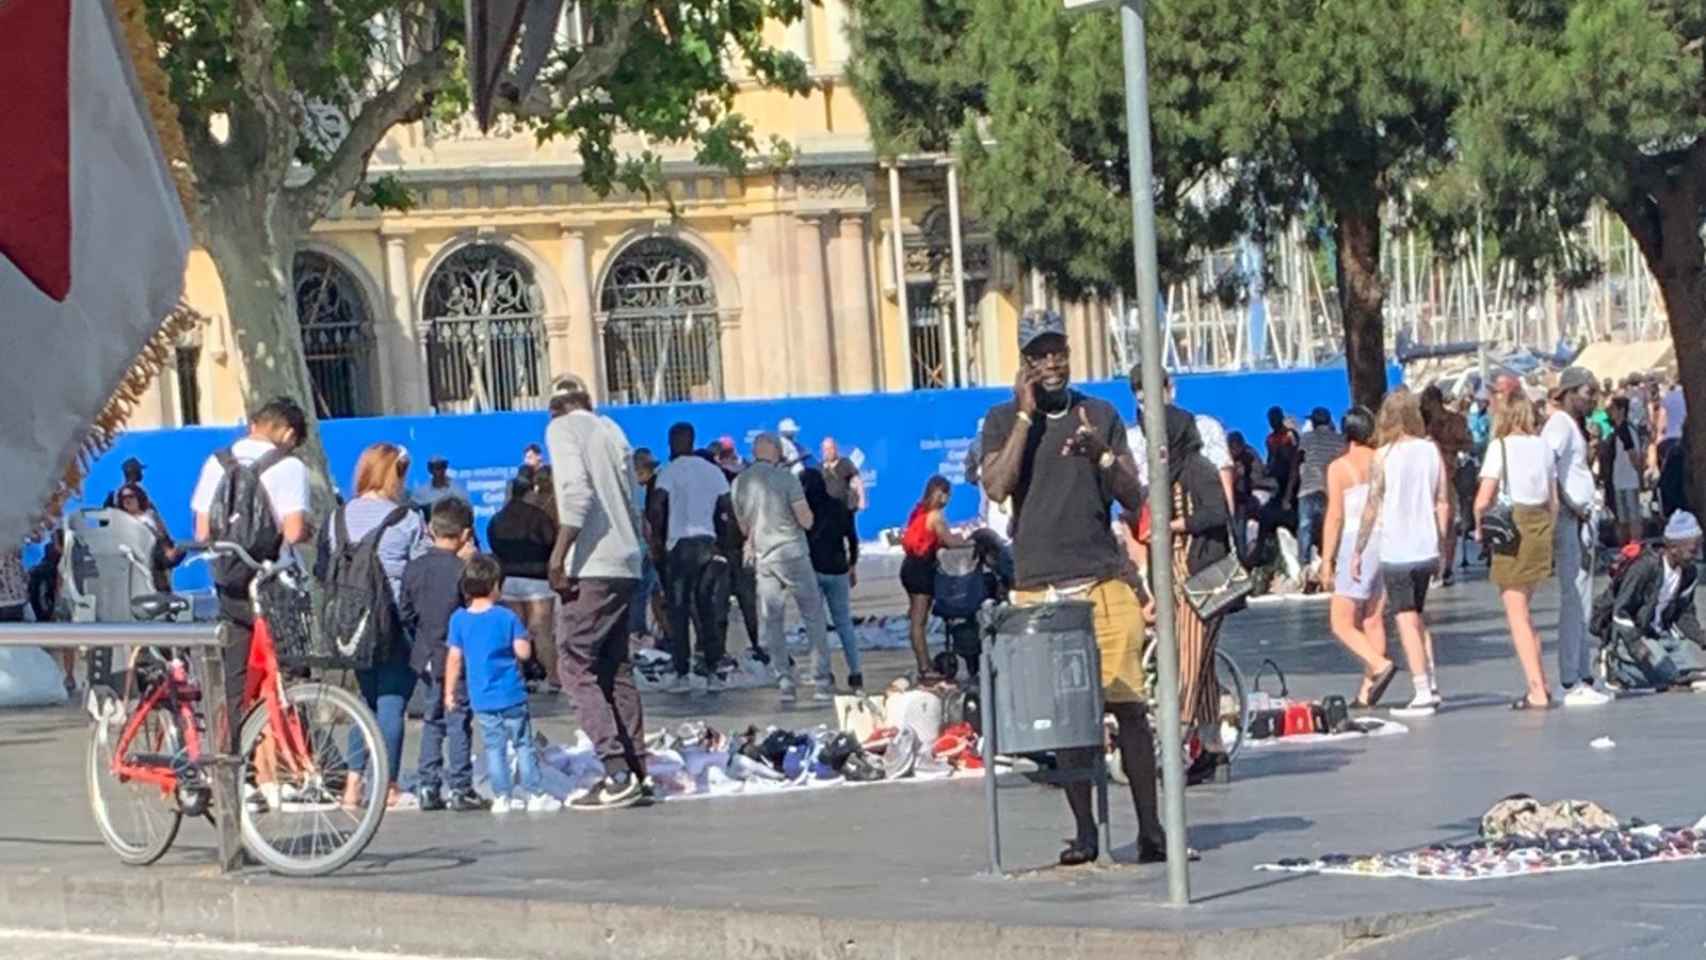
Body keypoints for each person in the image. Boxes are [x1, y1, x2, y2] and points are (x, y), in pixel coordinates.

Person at [979, 308, 1167, 868]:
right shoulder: (1000, 420)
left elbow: (1136, 497)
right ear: (1025, 365)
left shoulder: (1100, 412)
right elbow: (996, 484)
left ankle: (1152, 829)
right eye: (1040, 355)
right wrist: (1022, 418)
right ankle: (1085, 832)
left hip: (1103, 581)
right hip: (1040, 589)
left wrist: (1100, 454)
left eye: (1058, 351)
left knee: (1128, 707)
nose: (1052, 363)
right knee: (1067, 717)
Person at [545, 374, 649, 810]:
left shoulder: (562, 430)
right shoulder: (612, 430)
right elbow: (631, 498)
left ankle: (616, 769)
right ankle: (638, 768)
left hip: (592, 564)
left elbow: (577, 493)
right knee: (615, 667)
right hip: (627, 560)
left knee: (574, 665)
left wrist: (558, 556)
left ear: (555, 409)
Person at [190, 397, 312, 743]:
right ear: (288, 433)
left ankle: (231, 760)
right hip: (275, 582)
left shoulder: (216, 462)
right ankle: (293, 759)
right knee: (290, 674)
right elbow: (293, 531)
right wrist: (308, 529)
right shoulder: (288, 466)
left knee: (236, 677)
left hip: (229, 580)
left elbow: (202, 531)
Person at [321, 442, 428, 810]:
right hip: (394, 622)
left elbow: (323, 569)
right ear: (393, 474)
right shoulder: (407, 519)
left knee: (365, 705)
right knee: (391, 704)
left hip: (351, 624)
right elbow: (421, 572)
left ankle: (352, 787)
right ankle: (388, 785)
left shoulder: (336, 518)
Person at [1353, 390, 1452, 716]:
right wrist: (1441, 543)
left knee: (1405, 620)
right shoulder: (1430, 451)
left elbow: (1372, 506)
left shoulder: (1383, 456)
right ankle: (1432, 681)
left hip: (1397, 547)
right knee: (1418, 617)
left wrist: (1358, 548)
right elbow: (1442, 500)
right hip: (1426, 546)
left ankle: (1421, 689)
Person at [1152, 407, 1238, 785]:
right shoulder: (1171, 471)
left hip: (1202, 575)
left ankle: (1176, 742)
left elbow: (1218, 512)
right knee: (1199, 666)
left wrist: (1174, 524)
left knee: (1189, 658)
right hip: (1182, 574)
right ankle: (1213, 749)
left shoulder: (1197, 467)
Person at [445, 554, 562, 813]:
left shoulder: (459, 619)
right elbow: (523, 653)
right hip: (511, 694)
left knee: (494, 747)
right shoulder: (506, 617)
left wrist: (449, 692)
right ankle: (534, 793)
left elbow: (454, 659)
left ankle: (502, 796)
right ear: (496, 585)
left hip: (481, 697)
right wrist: (526, 640)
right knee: (522, 744)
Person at [733, 433, 834, 702]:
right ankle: (821, 680)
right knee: (813, 616)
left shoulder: (740, 482)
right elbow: (806, 520)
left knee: (773, 620)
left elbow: (743, 527)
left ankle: (785, 681)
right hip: (793, 552)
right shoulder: (787, 479)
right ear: (776, 452)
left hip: (764, 558)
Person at [1475, 394, 1559, 709]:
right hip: (1539, 524)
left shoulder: (1501, 447)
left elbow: (1484, 499)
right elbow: (1554, 501)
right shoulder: (1544, 447)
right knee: (1525, 610)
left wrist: (1479, 527)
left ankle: (1536, 689)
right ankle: (1541, 682)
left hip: (1514, 526)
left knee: (1516, 614)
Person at [402, 497, 485, 812]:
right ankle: (461, 786)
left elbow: (405, 611)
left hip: (424, 652)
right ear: (465, 534)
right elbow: (473, 609)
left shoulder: (414, 568)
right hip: (456, 654)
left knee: (432, 718)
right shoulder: (463, 570)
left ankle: (428, 784)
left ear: (429, 529)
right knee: (458, 718)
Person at [1318, 406, 1397, 708]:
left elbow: (1335, 515)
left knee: (1341, 621)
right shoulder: (1381, 461)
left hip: (1356, 540)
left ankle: (1378, 664)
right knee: (1373, 618)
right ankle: (1367, 692)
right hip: (1384, 538)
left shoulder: (1340, 467)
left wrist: (1327, 559)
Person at [1543, 366, 1612, 707]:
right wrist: (1569, 505)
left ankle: (1584, 673)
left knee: (1583, 594)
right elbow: (1548, 467)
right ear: (1569, 392)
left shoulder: (1576, 427)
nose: (1592, 400)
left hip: (1585, 517)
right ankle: (1569, 677)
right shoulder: (1558, 425)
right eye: (1587, 393)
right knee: (1573, 596)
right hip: (1573, 518)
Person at [649, 422, 735, 694]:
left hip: (680, 546)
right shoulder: (713, 471)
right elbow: (726, 509)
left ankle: (682, 670)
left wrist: (659, 542)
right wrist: (724, 544)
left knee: (678, 608)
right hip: (708, 545)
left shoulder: (668, 472)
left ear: (673, 443)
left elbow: (656, 508)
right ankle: (711, 667)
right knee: (706, 607)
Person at [1598, 510, 1704, 686]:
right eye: (1692, 550)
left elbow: (1684, 613)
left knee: (1692, 669)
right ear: (1673, 548)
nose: (1696, 555)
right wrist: (1634, 643)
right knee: (1669, 676)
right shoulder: (1646, 567)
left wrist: (1701, 638)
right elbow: (1620, 611)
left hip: (1660, 635)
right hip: (1634, 635)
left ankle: (1656, 668)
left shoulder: (1689, 572)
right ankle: (1617, 666)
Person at [488, 468, 560, 691]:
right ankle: (554, 678)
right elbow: (551, 542)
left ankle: (516, 677)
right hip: (537, 580)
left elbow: (494, 543)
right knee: (542, 632)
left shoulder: (498, 518)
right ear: (529, 492)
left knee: (514, 631)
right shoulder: (539, 517)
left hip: (509, 579)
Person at [898, 475, 970, 679]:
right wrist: (968, 540)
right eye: (946, 494)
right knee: (919, 621)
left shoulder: (919, 512)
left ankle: (924, 662)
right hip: (921, 570)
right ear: (940, 494)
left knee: (915, 618)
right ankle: (925, 667)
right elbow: (950, 541)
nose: (948, 498)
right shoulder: (935, 517)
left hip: (909, 566)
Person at [802, 468, 864, 692]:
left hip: (813, 570)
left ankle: (823, 671)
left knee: (817, 625)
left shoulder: (805, 512)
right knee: (844, 623)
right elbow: (853, 539)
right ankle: (855, 671)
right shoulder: (839, 506)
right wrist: (852, 565)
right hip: (838, 569)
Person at [1422, 384, 1473, 585]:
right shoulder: (1420, 422)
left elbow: (1468, 443)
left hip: (1448, 473)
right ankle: (1433, 565)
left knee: (1448, 521)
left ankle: (1447, 567)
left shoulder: (1456, 420)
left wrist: (1446, 446)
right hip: (1425, 477)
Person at [1294, 407, 1346, 577]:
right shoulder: (1339, 440)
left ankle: (1304, 569)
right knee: (1329, 528)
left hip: (1308, 489)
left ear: (1314, 422)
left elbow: (1298, 462)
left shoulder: (1306, 439)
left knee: (1305, 529)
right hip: (1330, 490)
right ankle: (1330, 565)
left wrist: (1289, 492)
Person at [115, 482, 181, 591]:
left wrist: (168, 547)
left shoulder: (150, 514)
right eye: (123, 498)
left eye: (131, 496)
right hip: (137, 555)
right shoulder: (122, 520)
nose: (127, 500)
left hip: (157, 551)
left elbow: (163, 535)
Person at [1605, 397, 1645, 545]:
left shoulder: (1626, 430)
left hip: (1629, 480)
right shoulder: (1618, 429)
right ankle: (1627, 548)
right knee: (1623, 519)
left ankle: (1635, 547)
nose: (1611, 413)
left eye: (1614, 409)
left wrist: (1639, 475)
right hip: (1619, 480)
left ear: (1622, 410)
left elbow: (1633, 454)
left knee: (1633, 517)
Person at [819, 436, 865, 513]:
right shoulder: (820, 468)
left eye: (831, 448)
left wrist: (862, 501)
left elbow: (857, 481)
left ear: (836, 448)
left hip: (847, 508)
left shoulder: (845, 462)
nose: (829, 451)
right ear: (823, 451)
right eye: (826, 449)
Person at [1658, 377, 1687, 469]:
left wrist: (1659, 436)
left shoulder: (1668, 397)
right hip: (1686, 439)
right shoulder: (1692, 397)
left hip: (1669, 438)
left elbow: (1662, 418)